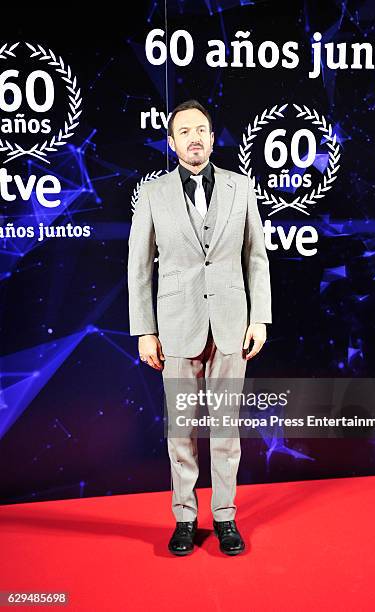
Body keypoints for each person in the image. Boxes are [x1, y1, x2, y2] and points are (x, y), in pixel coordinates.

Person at [128, 99, 272, 556]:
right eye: (184, 131)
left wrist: (259, 318)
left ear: (212, 138)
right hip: (175, 329)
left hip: (232, 328)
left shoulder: (241, 187)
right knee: (182, 431)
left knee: (226, 431)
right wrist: (144, 330)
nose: (194, 137)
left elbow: (255, 258)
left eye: (202, 130)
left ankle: (225, 517)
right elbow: (139, 270)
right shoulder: (152, 195)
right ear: (171, 143)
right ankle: (185, 519)